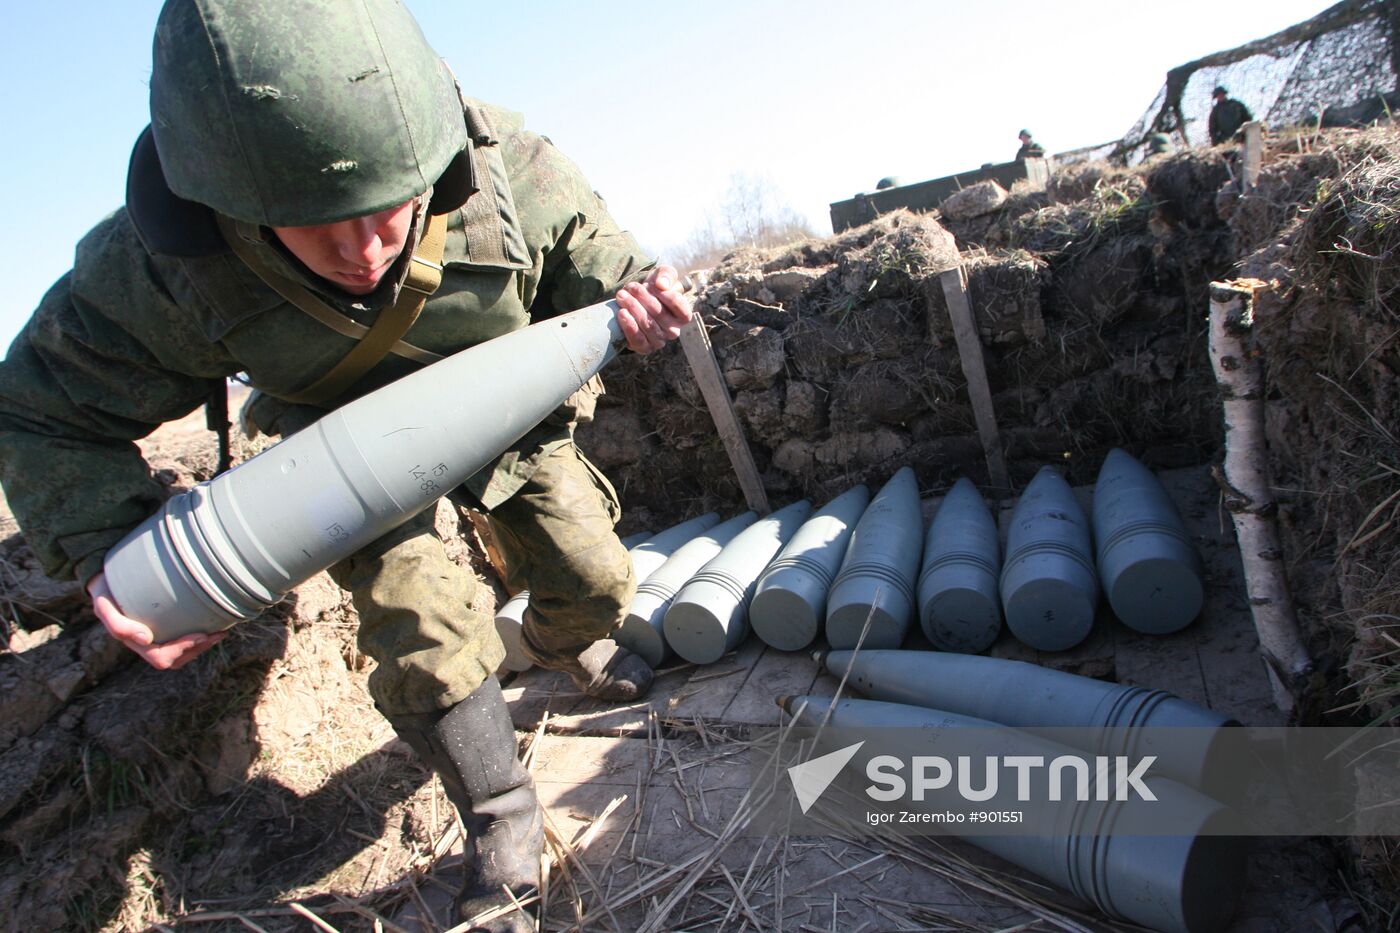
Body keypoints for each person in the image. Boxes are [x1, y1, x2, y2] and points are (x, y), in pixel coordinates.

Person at [0, 1, 694, 930]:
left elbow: (595, 254)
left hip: (509, 412)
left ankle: (567, 641)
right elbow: (40, 408)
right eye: (317, 223)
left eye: (387, 209)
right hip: (346, 456)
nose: (364, 249)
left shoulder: (505, 172)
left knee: (597, 576)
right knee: (423, 624)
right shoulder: (163, 270)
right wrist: (119, 554)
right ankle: (501, 817)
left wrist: (635, 297)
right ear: (228, 206)